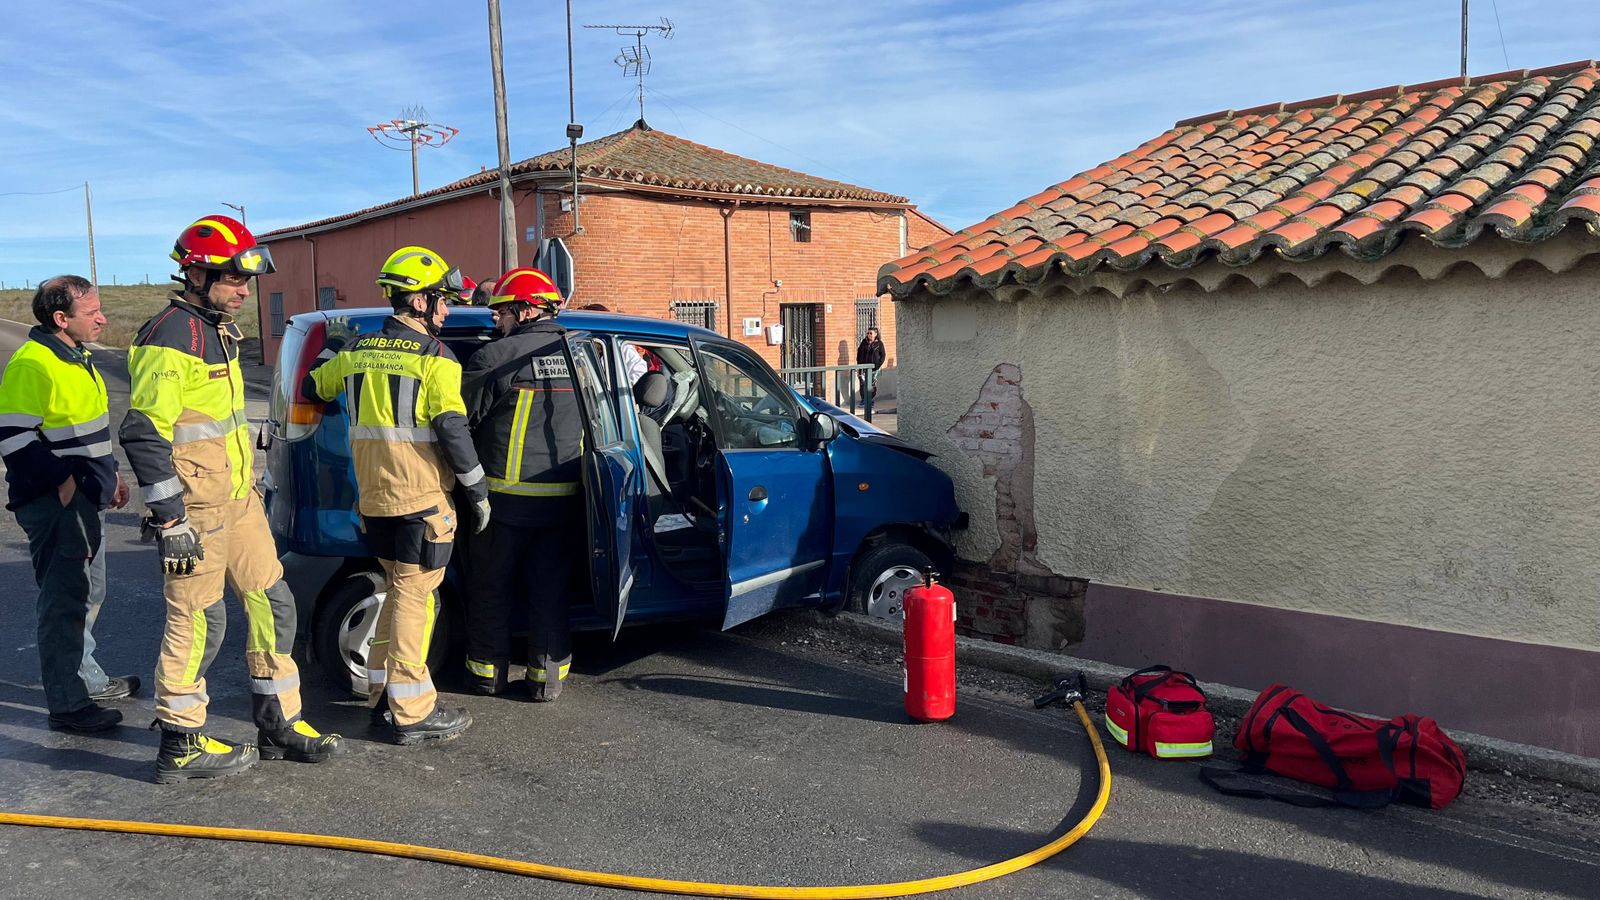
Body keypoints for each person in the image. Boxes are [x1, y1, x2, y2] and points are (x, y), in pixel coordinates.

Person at [121, 215, 342, 783]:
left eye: (248, 280)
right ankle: (180, 742)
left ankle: (278, 723)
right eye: (234, 279)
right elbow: (144, 433)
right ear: (197, 275)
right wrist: (170, 518)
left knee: (274, 602)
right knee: (200, 620)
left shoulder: (216, 329)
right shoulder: (171, 335)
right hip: (194, 509)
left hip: (237, 501)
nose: (245, 291)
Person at [302, 246, 488, 743]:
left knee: (397, 593)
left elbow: (314, 388)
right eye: (443, 300)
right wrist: (477, 489)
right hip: (421, 500)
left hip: (373, 502)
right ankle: (412, 712)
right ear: (420, 301)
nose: (447, 310)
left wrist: (331, 345)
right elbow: (453, 429)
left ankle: (385, 697)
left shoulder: (356, 352)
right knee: (414, 600)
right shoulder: (436, 358)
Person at [0, 275, 138, 733]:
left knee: (88, 592)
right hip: (57, 505)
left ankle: (87, 679)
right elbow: (13, 439)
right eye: (92, 312)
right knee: (64, 602)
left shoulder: (76, 354)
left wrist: (111, 475)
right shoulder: (33, 363)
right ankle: (69, 705)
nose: (102, 319)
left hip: (86, 497)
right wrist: (63, 480)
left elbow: (86, 429)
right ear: (61, 318)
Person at [460, 268, 582, 701]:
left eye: (503, 312)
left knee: (490, 591)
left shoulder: (496, 357)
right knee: (550, 594)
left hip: (502, 503)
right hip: (562, 503)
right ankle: (545, 682)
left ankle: (486, 676)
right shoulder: (582, 355)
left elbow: (458, 421)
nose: (496, 320)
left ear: (527, 310)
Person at [855, 326, 886, 407]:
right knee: (862, 384)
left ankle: (870, 400)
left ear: (875, 334)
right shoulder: (864, 342)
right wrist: (859, 363)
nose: (869, 335)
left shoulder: (879, 344)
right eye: (868, 333)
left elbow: (883, 355)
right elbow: (859, 353)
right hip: (863, 367)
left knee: (872, 385)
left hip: (873, 368)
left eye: (871, 333)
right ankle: (863, 400)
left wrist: (877, 365)